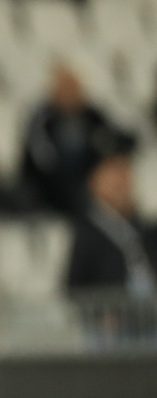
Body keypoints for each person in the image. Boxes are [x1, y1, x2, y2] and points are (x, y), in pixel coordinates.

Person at [65, 134, 157, 344]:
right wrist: (99, 315)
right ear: (93, 182)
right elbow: (74, 286)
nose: (120, 179)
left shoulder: (145, 230)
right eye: (112, 171)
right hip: (113, 333)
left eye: (125, 170)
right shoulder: (88, 232)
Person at [17, 62, 123, 215]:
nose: (70, 93)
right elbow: (41, 159)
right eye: (65, 88)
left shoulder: (93, 116)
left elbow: (113, 139)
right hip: (48, 186)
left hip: (86, 185)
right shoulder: (41, 119)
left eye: (73, 88)